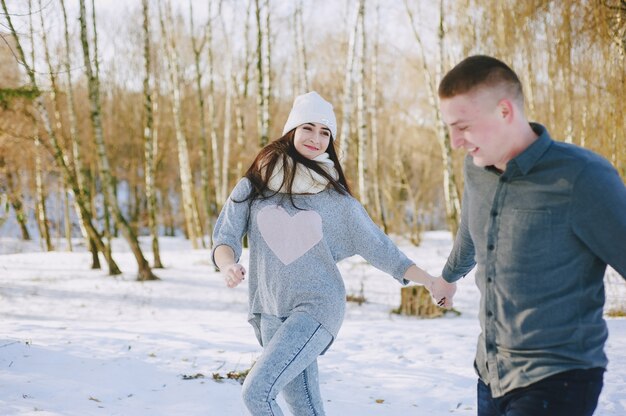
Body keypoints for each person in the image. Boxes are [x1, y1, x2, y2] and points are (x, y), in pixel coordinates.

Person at [212, 91, 445, 415]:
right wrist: (227, 265)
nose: (316, 138)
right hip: (268, 307)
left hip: (317, 307)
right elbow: (225, 237)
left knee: (257, 393)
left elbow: (379, 247)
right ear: (291, 130)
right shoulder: (254, 186)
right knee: (304, 404)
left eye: (325, 132)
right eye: (308, 127)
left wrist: (429, 280)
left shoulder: (334, 200)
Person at [430, 55, 626, 416]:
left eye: (463, 127)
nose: (456, 141)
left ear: (505, 111)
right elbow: (472, 233)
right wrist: (446, 278)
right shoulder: (476, 170)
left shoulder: (583, 177)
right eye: (450, 129)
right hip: (490, 374)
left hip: (559, 376)